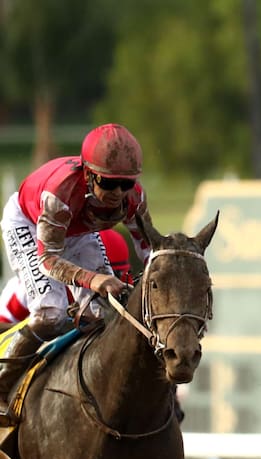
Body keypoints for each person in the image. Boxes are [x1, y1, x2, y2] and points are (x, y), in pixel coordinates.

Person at [0, 123, 153, 421]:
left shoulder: (134, 198)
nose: (118, 193)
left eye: (126, 184)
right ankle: (3, 383)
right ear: (88, 175)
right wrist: (94, 279)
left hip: (76, 231)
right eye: (108, 183)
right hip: (29, 225)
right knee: (51, 313)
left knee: (102, 315)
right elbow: (49, 259)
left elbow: (148, 249)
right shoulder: (60, 193)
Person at [0, 228, 133, 326]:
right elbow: (3, 324)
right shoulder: (32, 287)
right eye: (99, 275)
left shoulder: (121, 281)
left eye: (112, 275)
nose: (106, 283)